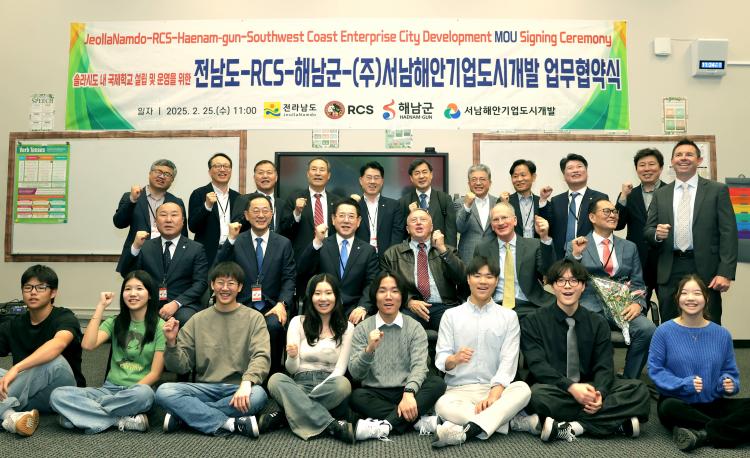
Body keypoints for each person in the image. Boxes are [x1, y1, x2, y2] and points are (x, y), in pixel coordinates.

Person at [521, 259, 650, 442]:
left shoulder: (598, 323)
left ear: (583, 286)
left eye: (574, 280)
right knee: (535, 396)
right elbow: (538, 366)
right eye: (561, 281)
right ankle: (614, 423)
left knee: (639, 390)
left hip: (590, 386)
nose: (567, 286)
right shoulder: (533, 322)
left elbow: (605, 366)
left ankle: (574, 427)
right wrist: (572, 387)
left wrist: (600, 394)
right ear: (552, 286)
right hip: (555, 388)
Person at [155, 261, 270, 437]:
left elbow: (261, 356)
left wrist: (247, 383)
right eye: (220, 283)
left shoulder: (254, 318)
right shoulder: (197, 320)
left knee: (258, 395)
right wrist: (171, 343)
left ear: (240, 287)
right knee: (164, 391)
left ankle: (186, 416)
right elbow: (180, 367)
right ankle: (229, 423)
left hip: (238, 388)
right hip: (204, 388)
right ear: (212, 285)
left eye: (231, 283)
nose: (225, 288)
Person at [429, 256, 534, 448]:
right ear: (468, 279)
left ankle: (466, 430)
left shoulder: (509, 317)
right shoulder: (451, 316)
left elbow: (509, 360)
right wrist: (454, 359)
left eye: (489, 276)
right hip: (459, 391)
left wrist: (494, 394)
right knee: (441, 405)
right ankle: (509, 422)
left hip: (495, 390)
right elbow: (441, 359)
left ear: (496, 281)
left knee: (523, 389)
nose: (483, 281)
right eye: (477, 276)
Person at [49, 270, 165, 434]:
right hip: (109, 389)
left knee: (145, 395)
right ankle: (119, 420)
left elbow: (155, 374)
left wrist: (125, 394)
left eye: (139, 288)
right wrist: (100, 307)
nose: (132, 294)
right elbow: (88, 345)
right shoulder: (115, 322)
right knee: (57, 395)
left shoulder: (161, 327)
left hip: (136, 392)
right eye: (127, 289)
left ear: (150, 294)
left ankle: (82, 416)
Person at [648, 274, 750, 452]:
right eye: (684, 293)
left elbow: (729, 371)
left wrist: (728, 382)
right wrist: (683, 384)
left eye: (697, 293)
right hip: (679, 403)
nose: (690, 298)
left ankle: (703, 434)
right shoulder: (663, 332)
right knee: (669, 408)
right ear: (677, 298)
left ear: (706, 298)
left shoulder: (722, 334)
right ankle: (729, 429)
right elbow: (655, 370)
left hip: (713, 403)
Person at [645, 138, 738, 324]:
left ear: (699, 160)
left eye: (689, 154)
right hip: (670, 268)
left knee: (709, 322)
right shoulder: (661, 194)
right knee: (671, 324)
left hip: (706, 269)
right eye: (678, 155)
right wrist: (656, 234)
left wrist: (726, 272)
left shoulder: (717, 190)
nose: (683, 158)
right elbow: (648, 230)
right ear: (672, 161)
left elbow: (729, 233)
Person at [348, 272, 446, 441]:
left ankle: (384, 426)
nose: (388, 296)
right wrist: (369, 349)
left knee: (437, 383)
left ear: (402, 296)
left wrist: (409, 392)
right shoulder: (362, 329)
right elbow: (356, 374)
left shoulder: (414, 327)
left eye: (394, 291)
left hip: (407, 390)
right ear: (374, 296)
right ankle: (416, 421)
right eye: (382, 291)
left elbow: (419, 366)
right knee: (356, 397)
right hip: (376, 392)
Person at [567, 198, 655, 380]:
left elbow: (638, 283)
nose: (613, 215)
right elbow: (567, 277)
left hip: (622, 306)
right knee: (596, 331)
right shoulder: (577, 245)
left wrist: (638, 304)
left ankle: (629, 379)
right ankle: (597, 380)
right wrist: (576, 255)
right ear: (592, 217)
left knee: (647, 329)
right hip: (590, 306)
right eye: (606, 211)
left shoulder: (629, 247)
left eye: (614, 211)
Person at [264, 274, 356, 443]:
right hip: (299, 383)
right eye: (317, 293)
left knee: (344, 384)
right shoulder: (297, 322)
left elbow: (340, 369)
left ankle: (288, 413)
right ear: (310, 297)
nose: (323, 298)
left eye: (328, 293)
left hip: (329, 386)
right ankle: (330, 425)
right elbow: (291, 369)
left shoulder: (347, 327)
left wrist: (306, 397)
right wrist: (292, 357)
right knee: (275, 379)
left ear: (336, 296)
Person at [215, 193, 296, 375]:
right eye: (256, 211)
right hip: (241, 304)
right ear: (246, 215)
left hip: (271, 305)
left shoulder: (283, 243)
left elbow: (289, 278)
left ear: (272, 214)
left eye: (265, 211)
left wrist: (282, 304)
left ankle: (272, 375)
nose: (261, 215)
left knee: (274, 325)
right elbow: (218, 268)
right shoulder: (237, 241)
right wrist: (230, 240)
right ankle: (238, 374)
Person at [0, 265, 83, 437]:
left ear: (53, 293)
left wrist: (16, 368)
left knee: (53, 360)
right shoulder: (14, 324)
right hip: (27, 392)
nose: (33, 292)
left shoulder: (65, 317)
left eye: (40, 287)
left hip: (61, 391)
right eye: (28, 288)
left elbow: (58, 344)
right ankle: (11, 416)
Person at [120, 202, 209, 325]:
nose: (168, 220)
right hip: (149, 303)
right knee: (130, 319)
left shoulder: (196, 249)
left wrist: (176, 303)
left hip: (183, 305)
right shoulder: (145, 247)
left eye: (174, 215)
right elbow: (127, 275)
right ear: (156, 222)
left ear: (183, 221)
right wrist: (135, 247)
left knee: (185, 319)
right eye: (163, 215)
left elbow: (201, 283)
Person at [381, 208, 466, 332]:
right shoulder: (392, 254)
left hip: (444, 306)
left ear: (431, 227)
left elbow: (462, 278)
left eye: (423, 220)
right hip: (410, 307)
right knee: (399, 330)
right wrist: (408, 301)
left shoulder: (448, 250)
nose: (418, 223)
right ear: (407, 229)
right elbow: (386, 287)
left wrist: (443, 250)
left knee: (458, 331)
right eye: (414, 220)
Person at [298, 198, 379, 325]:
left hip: (353, 310)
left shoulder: (368, 251)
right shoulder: (321, 245)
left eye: (351, 216)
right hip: (322, 307)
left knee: (366, 325)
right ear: (333, 219)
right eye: (341, 215)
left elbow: (371, 283)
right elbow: (303, 271)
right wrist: (317, 241)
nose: (346, 220)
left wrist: (362, 307)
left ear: (358, 221)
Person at [473, 202, 555, 321]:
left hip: (529, 305)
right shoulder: (482, 249)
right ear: (492, 225)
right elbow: (475, 280)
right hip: (495, 305)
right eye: (496, 219)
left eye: (504, 217)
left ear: (515, 220)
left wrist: (544, 238)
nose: (500, 223)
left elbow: (549, 272)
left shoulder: (533, 245)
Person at [113, 159, 187, 273]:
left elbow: (183, 235)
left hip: (166, 259)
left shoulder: (177, 202)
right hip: (136, 256)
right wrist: (132, 200)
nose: (162, 176)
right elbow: (119, 223)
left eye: (167, 174)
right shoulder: (131, 196)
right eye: (158, 172)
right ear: (150, 173)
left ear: (172, 180)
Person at [615, 148, 666, 303]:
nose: (647, 169)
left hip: (665, 261)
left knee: (670, 310)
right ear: (636, 169)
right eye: (642, 165)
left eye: (652, 164)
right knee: (635, 309)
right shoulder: (629, 194)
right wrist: (623, 197)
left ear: (661, 168)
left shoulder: (671, 192)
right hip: (637, 262)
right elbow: (617, 225)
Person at [539, 154, 608, 259]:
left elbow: (605, 227)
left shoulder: (599, 198)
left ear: (587, 172)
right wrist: (543, 200)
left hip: (590, 255)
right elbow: (547, 226)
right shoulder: (556, 200)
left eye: (579, 166)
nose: (575, 170)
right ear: (564, 176)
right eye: (570, 168)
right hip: (561, 257)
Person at [279, 157, 341, 261]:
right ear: (308, 174)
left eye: (322, 170)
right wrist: (297, 212)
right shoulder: (294, 198)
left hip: (331, 256)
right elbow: (284, 230)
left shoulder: (337, 201)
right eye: (314, 169)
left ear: (328, 175)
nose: (318, 173)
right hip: (303, 257)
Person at [188, 153, 240, 264]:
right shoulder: (199, 194)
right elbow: (192, 226)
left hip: (233, 253)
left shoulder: (238, 197)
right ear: (210, 172)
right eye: (217, 166)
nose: (222, 169)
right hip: (207, 254)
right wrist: (207, 206)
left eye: (226, 166)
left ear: (231, 171)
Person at [398, 158, 457, 247]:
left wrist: (448, 253)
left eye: (424, 172)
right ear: (411, 178)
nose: (421, 176)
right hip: (413, 252)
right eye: (417, 173)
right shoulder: (403, 202)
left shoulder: (444, 199)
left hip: (438, 251)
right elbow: (401, 233)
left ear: (431, 174)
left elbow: (451, 232)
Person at [353, 161, 403, 255]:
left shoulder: (394, 205)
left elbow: (397, 235)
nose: (372, 181)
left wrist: (390, 257)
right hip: (359, 258)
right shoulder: (354, 206)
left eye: (376, 178)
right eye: (369, 177)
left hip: (387, 258)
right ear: (361, 180)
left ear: (382, 181)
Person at [454, 164, 498, 264]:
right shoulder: (460, 203)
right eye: (474, 180)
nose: (478, 183)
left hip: (493, 256)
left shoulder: (497, 202)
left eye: (482, 179)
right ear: (469, 183)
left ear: (490, 183)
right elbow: (459, 228)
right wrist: (467, 206)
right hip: (468, 258)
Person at [233, 160, 279, 233]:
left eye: (269, 172)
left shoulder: (282, 203)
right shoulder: (243, 200)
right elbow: (235, 227)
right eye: (261, 173)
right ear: (254, 178)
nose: (265, 176)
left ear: (276, 177)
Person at [505, 159, 544, 239]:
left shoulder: (542, 202)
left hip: (537, 245)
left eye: (523, 175)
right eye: (515, 176)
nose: (519, 179)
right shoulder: (506, 201)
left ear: (533, 177)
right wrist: (504, 203)